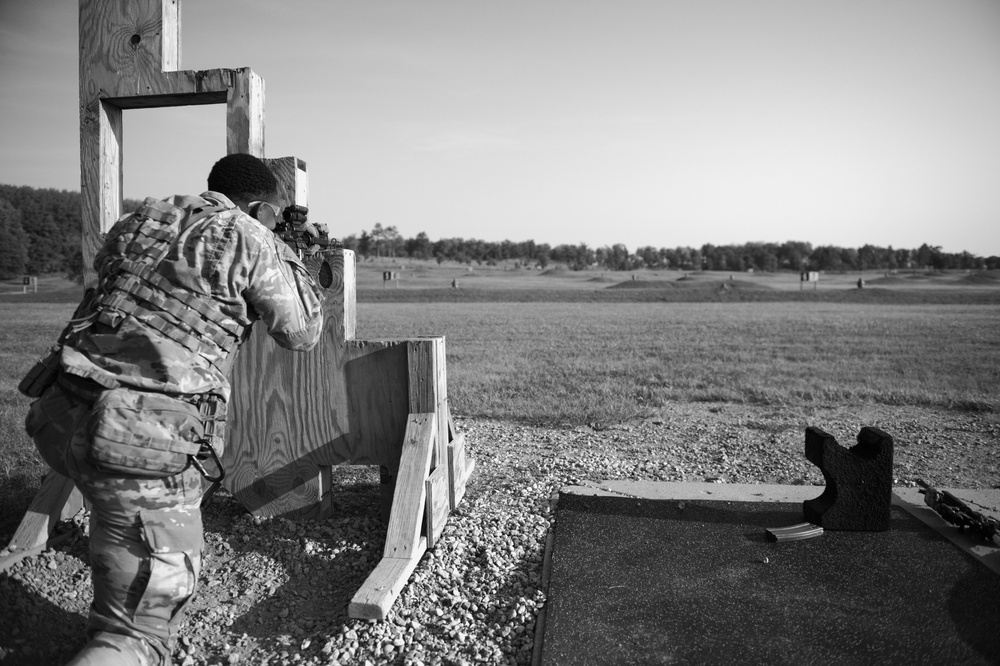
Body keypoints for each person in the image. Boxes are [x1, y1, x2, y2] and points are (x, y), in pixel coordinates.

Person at [23, 153, 324, 665]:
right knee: (135, 637)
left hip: (63, 411)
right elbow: (302, 333)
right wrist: (291, 257)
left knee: (115, 512)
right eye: (274, 216)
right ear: (259, 208)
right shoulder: (249, 234)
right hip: (135, 440)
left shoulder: (145, 216)